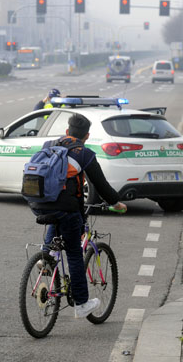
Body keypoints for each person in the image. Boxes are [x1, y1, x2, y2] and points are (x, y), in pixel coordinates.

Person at [29, 113, 127, 319]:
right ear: (87, 135)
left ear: (67, 132)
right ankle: (82, 304)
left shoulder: (49, 145)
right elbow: (101, 185)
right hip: (67, 209)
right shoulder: (84, 154)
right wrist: (116, 203)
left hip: (39, 204)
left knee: (57, 219)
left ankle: (47, 256)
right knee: (74, 252)